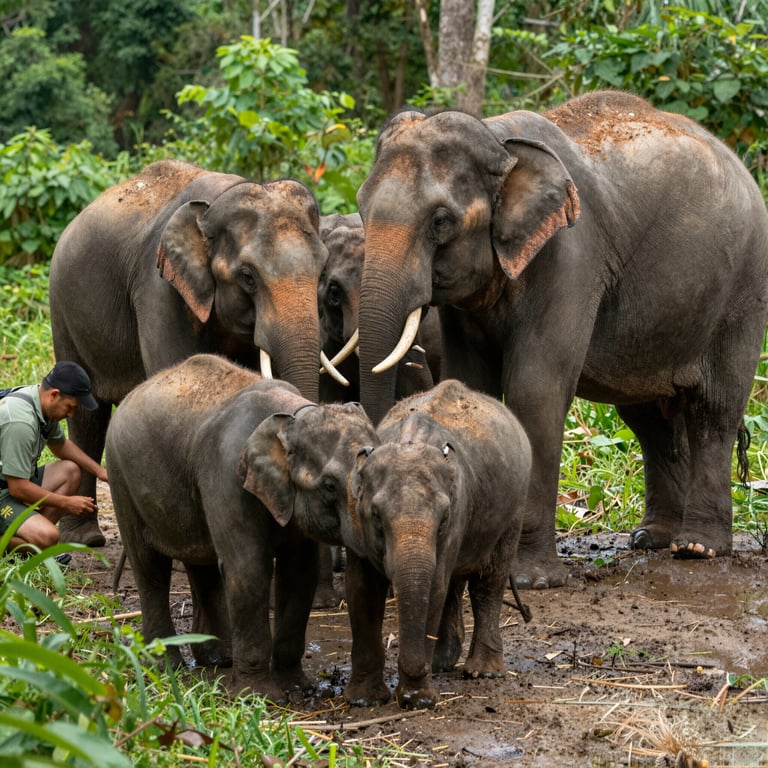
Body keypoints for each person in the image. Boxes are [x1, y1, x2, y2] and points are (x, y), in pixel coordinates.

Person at [0, 361, 108, 558]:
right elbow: (18, 487)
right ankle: (34, 545)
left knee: (70, 471)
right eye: (70, 407)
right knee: (50, 536)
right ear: (54, 395)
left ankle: (33, 543)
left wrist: (100, 471)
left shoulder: (39, 401)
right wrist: (66, 503)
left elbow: (60, 446)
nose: (71, 414)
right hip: (7, 489)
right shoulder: (20, 422)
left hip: (8, 483)